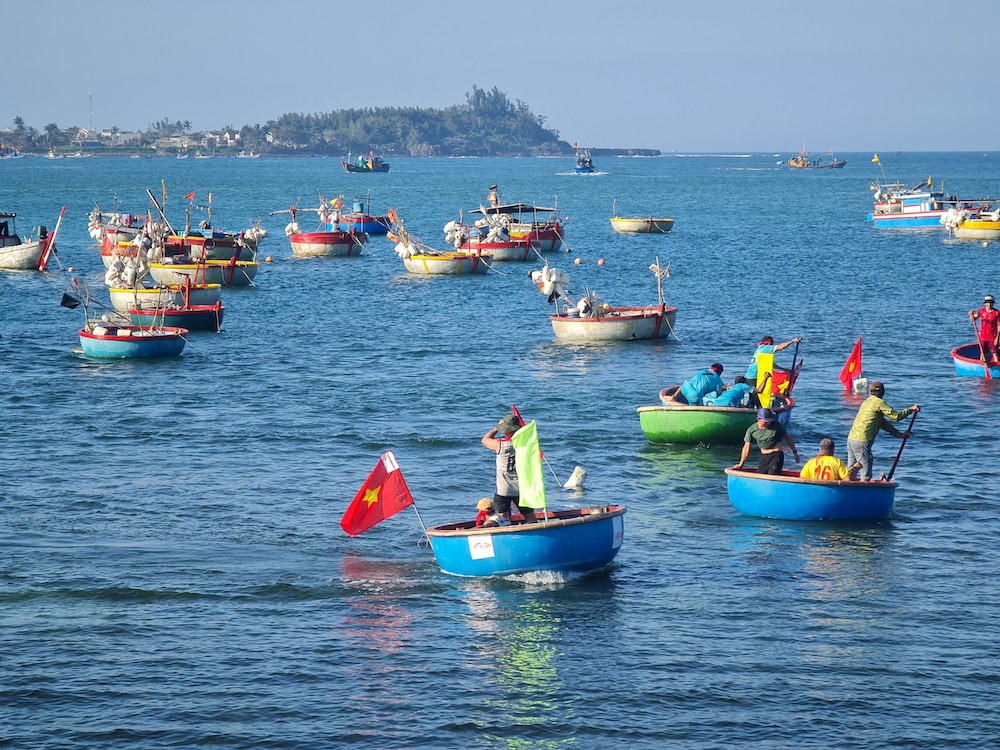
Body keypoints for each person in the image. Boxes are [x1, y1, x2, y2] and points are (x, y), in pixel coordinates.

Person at [846, 381, 919, 482]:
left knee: (849, 474)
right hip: (862, 441)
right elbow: (896, 417)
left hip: (851, 439)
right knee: (866, 475)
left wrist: (900, 435)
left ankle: (849, 486)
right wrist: (911, 409)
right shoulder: (878, 402)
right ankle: (865, 493)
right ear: (881, 392)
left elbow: (883, 424)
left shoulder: (866, 402)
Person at [481, 413, 536, 523]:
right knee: (530, 518)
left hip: (504, 489)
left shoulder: (500, 445)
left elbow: (485, 439)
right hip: (521, 488)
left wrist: (497, 427)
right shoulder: (526, 445)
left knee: (502, 519)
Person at [734, 408, 800, 475]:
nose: (768, 423)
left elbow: (788, 438)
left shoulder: (776, 425)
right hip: (764, 456)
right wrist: (741, 464)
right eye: (765, 421)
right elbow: (746, 448)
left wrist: (795, 453)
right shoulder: (751, 430)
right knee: (760, 475)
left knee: (773, 474)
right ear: (759, 419)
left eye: (769, 421)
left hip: (777, 454)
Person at [969, 295, 1000, 363]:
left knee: (995, 354)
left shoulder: (997, 313)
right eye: (988, 302)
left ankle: (996, 368)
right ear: (986, 303)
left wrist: (997, 338)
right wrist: (971, 314)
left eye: (991, 302)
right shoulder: (981, 311)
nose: (990, 304)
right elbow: (973, 319)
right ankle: (981, 367)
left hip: (992, 337)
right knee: (982, 353)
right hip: (983, 337)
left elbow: (999, 326)